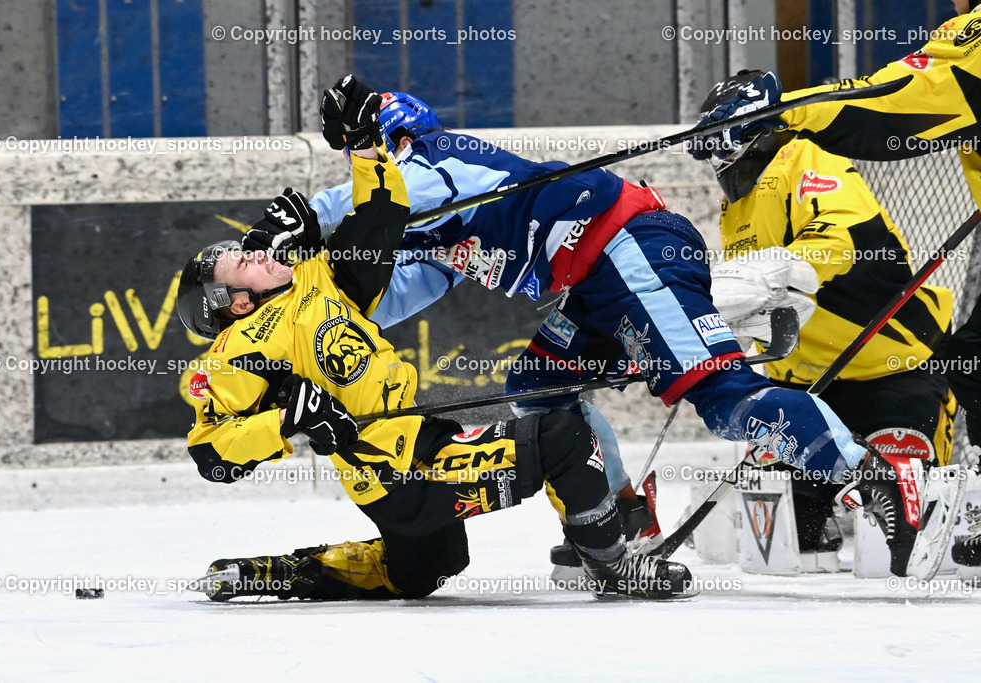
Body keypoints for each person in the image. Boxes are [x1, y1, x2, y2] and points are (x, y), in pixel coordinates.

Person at [245, 75, 932, 578]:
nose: (363, 168)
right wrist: (311, 315)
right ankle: (621, 513)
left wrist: (303, 218)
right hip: (599, 279)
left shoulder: (439, 164)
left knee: (725, 401)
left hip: (631, 249)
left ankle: (871, 476)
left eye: (369, 153)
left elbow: (380, 198)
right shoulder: (437, 222)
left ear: (393, 141)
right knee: (538, 387)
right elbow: (385, 298)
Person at [176, 74, 695, 602]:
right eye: (243, 260)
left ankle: (272, 572)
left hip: (419, 442)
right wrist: (286, 421)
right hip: (390, 469)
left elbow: (381, 215)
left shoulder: (326, 277)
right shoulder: (236, 351)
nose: (257, 251)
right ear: (235, 304)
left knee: (432, 565)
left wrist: (363, 147)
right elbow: (212, 456)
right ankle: (613, 567)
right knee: (561, 436)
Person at [688, 1, 981, 566]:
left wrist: (783, 273)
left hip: (892, 373)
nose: (721, 166)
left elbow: (844, 233)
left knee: (905, 531)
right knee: (785, 539)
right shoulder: (737, 212)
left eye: (725, 148)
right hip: (810, 394)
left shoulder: (802, 157)